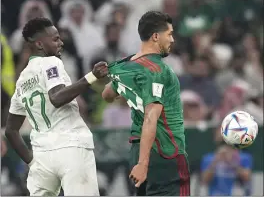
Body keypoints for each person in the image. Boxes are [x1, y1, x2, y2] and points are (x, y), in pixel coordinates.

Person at [5, 17, 108, 196]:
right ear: (39, 44)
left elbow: (10, 130)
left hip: (42, 157)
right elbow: (57, 97)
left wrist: (31, 162)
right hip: (71, 147)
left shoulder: (22, 80)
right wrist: (91, 77)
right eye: (55, 39)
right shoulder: (51, 62)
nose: (61, 42)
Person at [102, 11, 190, 196]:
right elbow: (151, 117)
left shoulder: (127, 65)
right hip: (165, 151)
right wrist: (143, 164)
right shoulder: (157, 70)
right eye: (169, 34)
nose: (172, 40)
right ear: (156, 36)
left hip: (137, 149)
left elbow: (107, 94)